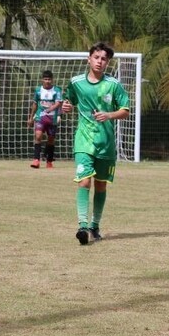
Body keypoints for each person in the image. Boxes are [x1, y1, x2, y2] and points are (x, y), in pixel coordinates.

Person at [61, 42, 130, 245]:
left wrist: (109, 114)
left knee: (100, 185)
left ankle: (94, 225)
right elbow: (69, 102)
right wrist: (66, 107)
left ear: (107, 62)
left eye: (104, 59)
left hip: (106, 143)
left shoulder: (113, 85)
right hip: (84, 141)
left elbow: (125, 110)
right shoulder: (76, 82)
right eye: (97, 57)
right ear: (89, 58)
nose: (100, 61)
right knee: (84, 181)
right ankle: (82, 226)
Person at [27, 70, 62, 168]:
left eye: (49, 79)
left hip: (52, 118)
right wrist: (30, 118)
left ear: (52, 80)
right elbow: (34, 104)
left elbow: (59, 103)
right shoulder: (38, 90)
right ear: (42, 80)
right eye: (45, 79)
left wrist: (51, 108)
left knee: (51, 140)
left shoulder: (57, 90)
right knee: (38, 136)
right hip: (40, 117)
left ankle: (49, 161)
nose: (47, 81)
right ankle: (36, 160)